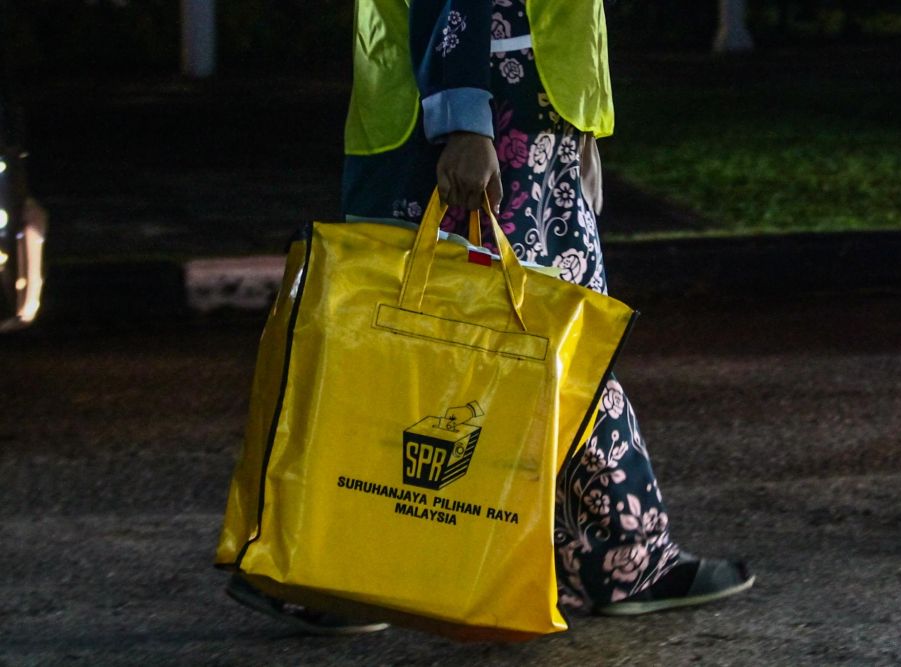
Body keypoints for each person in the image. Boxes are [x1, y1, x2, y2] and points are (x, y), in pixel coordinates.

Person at [227, 0, 754, 632]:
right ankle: (620, 554)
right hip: (495, 98)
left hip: (477, 96)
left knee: (425, 339)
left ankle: (341, 568)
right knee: (543, 341)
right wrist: (469, 122)